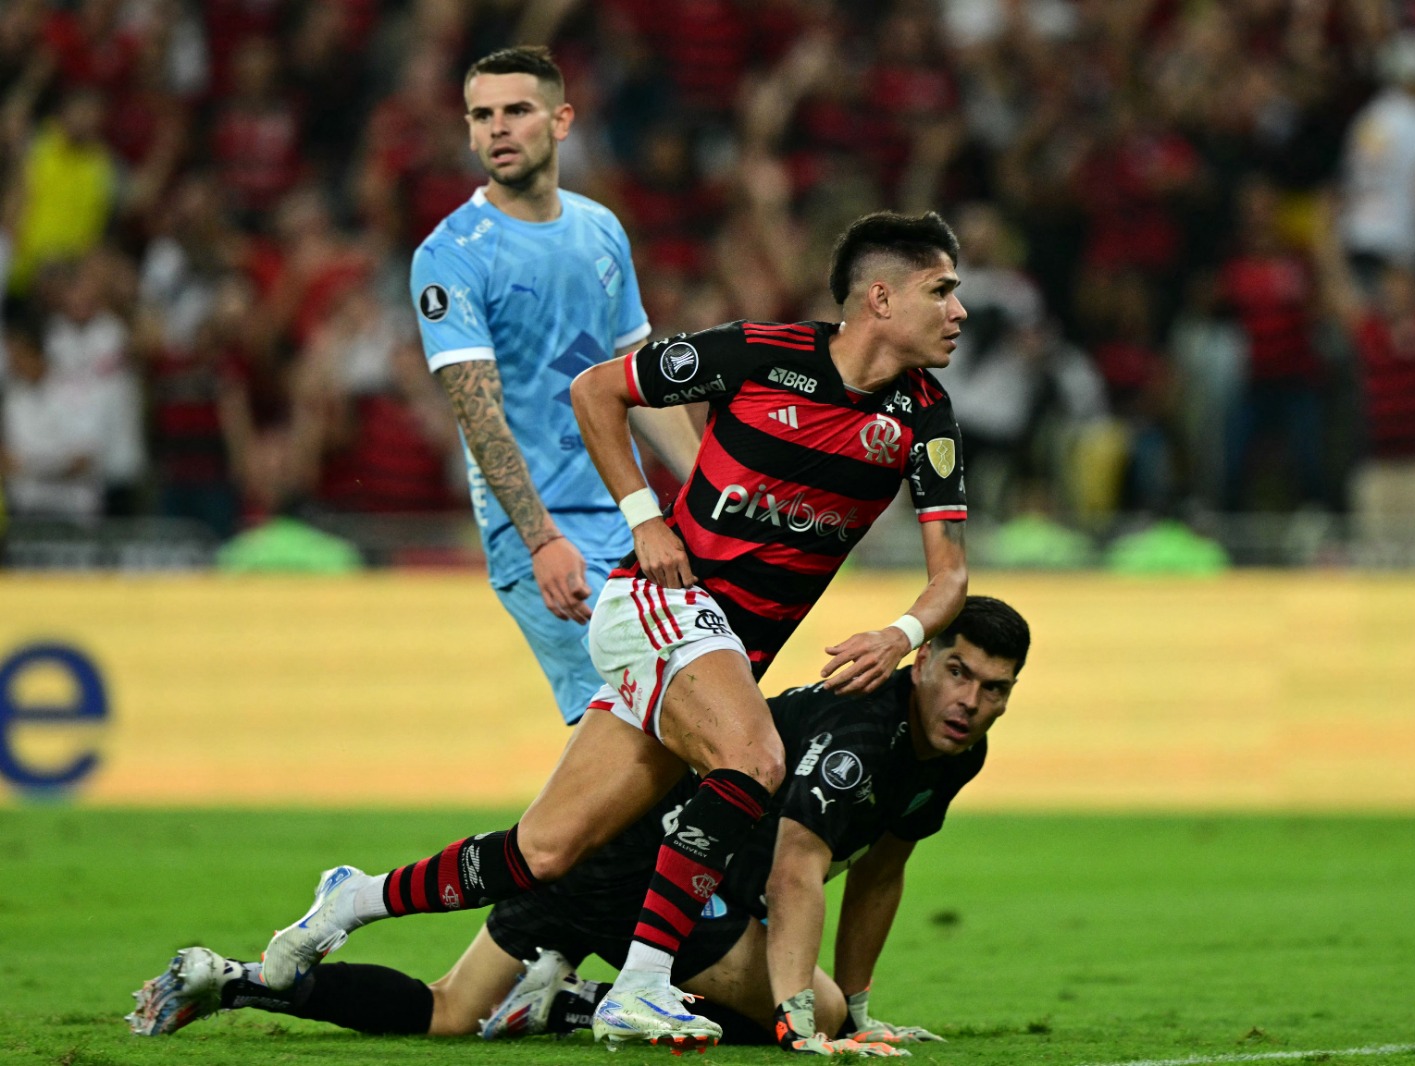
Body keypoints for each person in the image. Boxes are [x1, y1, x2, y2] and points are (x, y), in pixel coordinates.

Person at [259, 209, 971, 1051]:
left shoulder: (924, 413)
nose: (960, 311)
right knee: (756, 758)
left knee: (546, 853)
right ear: (881, 298)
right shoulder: (758, 352)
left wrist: (900, 632)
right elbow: (598, 388)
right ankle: (638, 987)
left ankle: (353, 898)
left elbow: (950, 576)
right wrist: (643, 518)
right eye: (942, 290)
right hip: (659, 606)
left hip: (716, 657)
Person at [130, 598, 1029, 1057]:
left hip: (657, 876)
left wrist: (866, 1012)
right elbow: (799, 873)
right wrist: (813, 1020)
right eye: (958, 674)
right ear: (922, 663)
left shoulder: (956, 753)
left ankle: (234, 981)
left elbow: (881, 872)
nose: (970, 701)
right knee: (808, 1001)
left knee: (449, 1014)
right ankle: (579, 1002)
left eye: (994, 690)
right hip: (661, 872)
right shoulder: (862, 732)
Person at [409, 44, 698, 725]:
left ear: (562, 121)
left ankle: (549, 840)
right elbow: (480, 417)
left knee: (662, 732)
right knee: (650, 726)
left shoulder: (600, 230)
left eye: (517, 111)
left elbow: (636, 378)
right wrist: (540, 541)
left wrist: (705, 491)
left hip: (631, 520)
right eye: (481, 116)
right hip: (542, 534)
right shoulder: (451, 254)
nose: (496, 129)